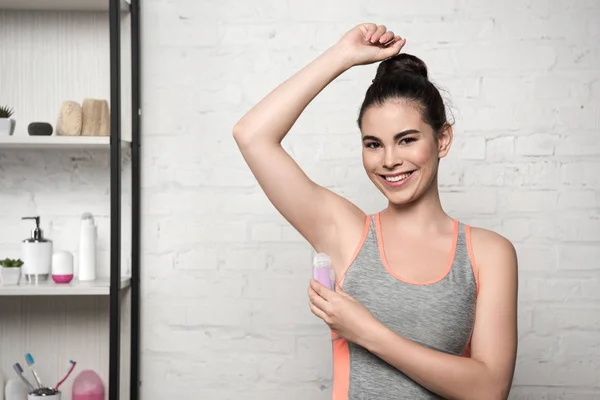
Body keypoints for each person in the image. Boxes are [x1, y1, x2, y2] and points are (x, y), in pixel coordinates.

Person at [233, 23, 518, 400]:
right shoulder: (346, 234)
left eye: (407, 140)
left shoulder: (488, 253)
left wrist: (367, 332)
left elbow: (489, 389)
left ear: (442, 139)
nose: (389, 161)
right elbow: (251, 135)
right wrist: (343, 55)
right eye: (373, 144)